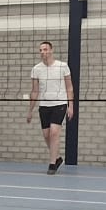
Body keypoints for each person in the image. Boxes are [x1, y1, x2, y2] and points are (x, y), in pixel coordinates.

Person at [26, 39, 75, 174]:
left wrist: (71, 106)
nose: (43, 52)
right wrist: (30, 111)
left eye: (45, 49)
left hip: (59, 103)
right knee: (46, 135)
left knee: (54, 132)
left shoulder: (62, 66)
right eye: (41, 50)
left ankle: (52, 164)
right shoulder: (36, 69)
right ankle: (57, 158)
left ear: (51, 50)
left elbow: (69, 87)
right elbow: (35, 91)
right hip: (44, 105)